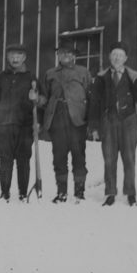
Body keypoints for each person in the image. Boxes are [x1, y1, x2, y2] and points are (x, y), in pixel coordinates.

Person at [88, 41, 137, 207]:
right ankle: (110, 194)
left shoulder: (134, 77)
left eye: (120, 55)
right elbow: (93, 103)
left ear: (126, 58)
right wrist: (94, 127)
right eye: (114, 55)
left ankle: (131, 194)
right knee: (109, 159)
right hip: (108, 121)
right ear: (109, 57)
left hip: (129, 121)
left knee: (129, 158)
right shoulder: (101, 79)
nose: (117, 58)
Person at [0, 44, 45, 202]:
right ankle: (5, 192)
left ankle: (23, 193)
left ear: (24, 58)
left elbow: (42, 101)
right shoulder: (1, 77)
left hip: (24, 125)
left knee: (23, 159)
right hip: (3, 124)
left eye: (19, 55)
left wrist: (36, 100)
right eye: (12, 55)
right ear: (7, 57)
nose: (15, 58)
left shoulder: (31, 78)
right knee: (5, 159)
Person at [42, 43, 91, 204]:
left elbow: (90, 97)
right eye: (62, 53)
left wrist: (90, 121)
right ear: (58, 56)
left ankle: (79, 192)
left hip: (77, 120)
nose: (66, 56)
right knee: (59, 157)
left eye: (69, 53)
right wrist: (37, 99)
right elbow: (45, 98)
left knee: (79, 156)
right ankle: (61, 192)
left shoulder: (83, 72)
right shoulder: (50, 74)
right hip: (57, 119)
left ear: (74, 56)